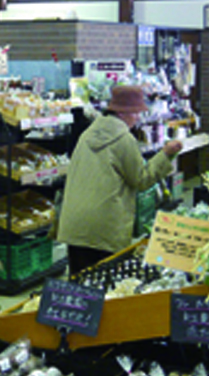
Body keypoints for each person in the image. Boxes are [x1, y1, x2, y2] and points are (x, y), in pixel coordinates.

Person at [57, 86, 183, 276]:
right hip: (103, 227)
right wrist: (165, 155)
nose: (138, 118)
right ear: (123, 112)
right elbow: (141, 179)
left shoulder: (88, 134)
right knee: (103, 286)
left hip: (74, 225)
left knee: (79, 287)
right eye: (136, 113)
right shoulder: (123, 139)